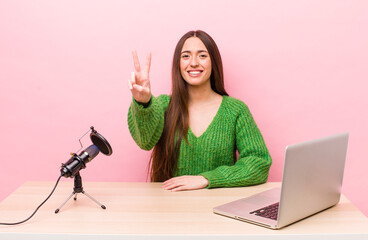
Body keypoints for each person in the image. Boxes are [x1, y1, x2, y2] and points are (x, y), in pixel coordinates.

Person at [128, 30, 272, 192]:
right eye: (186, 56)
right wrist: (143, 102)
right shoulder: (163, 105)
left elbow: (259, 163)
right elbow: (144, 141)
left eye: (202, 55)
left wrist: (207, 178)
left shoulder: (236, 110)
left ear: (213, 62)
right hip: (168, 210)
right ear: (178, 64)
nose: (194, 63)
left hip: (219, 210)